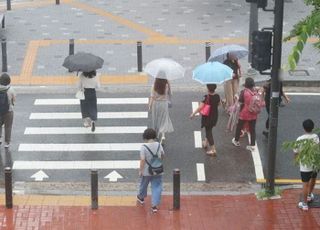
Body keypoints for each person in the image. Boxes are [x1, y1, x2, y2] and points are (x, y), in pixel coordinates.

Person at [137, 128, 165, 213]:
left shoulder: (143, 147)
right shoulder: (159, 145)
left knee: (144, 184)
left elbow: (142, 160)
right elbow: (162, 155)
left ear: (145, 136)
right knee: (157, 186)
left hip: (146, 171)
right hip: (157, 169)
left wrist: (140, 170)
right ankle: (154, 206)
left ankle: (141, 197)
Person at [294, 119, 319, 211]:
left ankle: (304, 204)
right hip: (315, 163)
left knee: (305, 184)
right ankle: (309, 195)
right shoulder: (316, 137)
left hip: (305, 165)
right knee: (313, 179)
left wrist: (296, 161)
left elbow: (296, 153)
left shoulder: (300, 139)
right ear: (313, 127)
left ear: (303, 128)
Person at [190, 84, 220, 156]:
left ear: (208, 89)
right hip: (215, 116)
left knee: (208, 132)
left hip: (207, 117)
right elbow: (219, 104)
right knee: (209, 129)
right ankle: (205, 143)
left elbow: (200, 108)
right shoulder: (217, 96)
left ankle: (213, 150)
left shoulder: (206, 97)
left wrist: (193, 114)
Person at [232, 77, 258, 151]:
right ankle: (252, 145)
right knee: (252, 129)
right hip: (254, 113)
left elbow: (240, 102)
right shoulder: (255, 91)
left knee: (239, 126)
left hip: (245, 113)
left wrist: (236, 98)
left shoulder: (244, 92)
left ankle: (236, 140)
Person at [149, 77, 173, 144]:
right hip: (164, 104)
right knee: (163, 119)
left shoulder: (154, 86)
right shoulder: (166, 86)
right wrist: (169, 83)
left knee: (156, 119)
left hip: (155, 104)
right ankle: (163, 135)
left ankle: (156, 135)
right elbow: (170, 93)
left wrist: (150, 106)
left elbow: (152, 96)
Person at [0, 73, 16, 149]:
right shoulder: (11, 89)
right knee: (8, 127)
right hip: (9, 111)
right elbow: (14, 100)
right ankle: (7, 142)